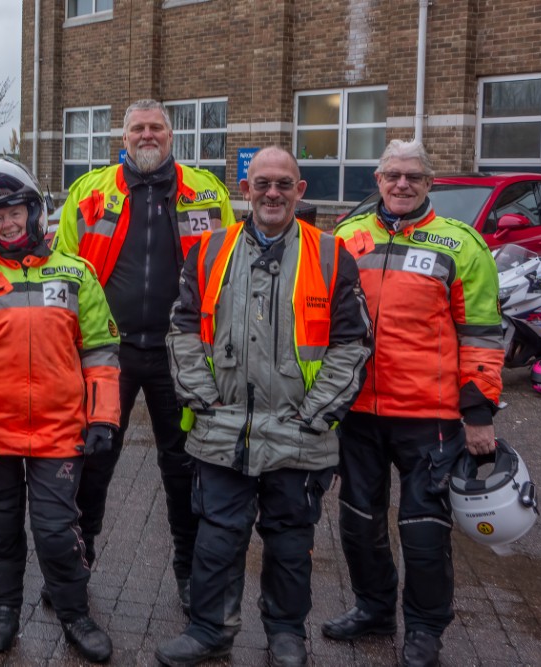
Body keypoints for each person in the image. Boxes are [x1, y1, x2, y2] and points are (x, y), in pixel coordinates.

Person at [155, 147, 372, 667]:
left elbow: (352, 345)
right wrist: (203, 401)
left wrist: (315, 415)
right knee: (216, 539)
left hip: (300, 432)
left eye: (283, 184)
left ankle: (286, 634)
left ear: (300, 190)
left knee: (291, 545)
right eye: (262, 184)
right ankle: (210, 630)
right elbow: (182, 331)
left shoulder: (330, 255)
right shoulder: (209, 251)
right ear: (245, 189)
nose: (272, 193)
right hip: (222, 427)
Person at [324, 140, 503, 667]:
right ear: (377, 181)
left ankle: (425, 629)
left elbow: (482, 335)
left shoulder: (461, 244)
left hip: (432, 417)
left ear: (430, 183)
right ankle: (374, 608)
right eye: (393, 175)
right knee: (358, 521)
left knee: (424, 531)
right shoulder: (346, 238)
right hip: (358, 412)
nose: (402, 184)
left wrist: (479, 414)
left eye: (414, 177)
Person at [0, 158, 119, 662]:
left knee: (57, 532)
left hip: (61, 433)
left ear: (35, 212)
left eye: (15, 212)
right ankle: (4, 609)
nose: (8, 224)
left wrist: (104, 416)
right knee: (0, 527)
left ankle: (74, 612)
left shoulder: (76, 274)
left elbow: (100, 352)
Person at [53, 98, 235, 610]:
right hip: (108, 352)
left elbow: (226, 268)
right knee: (94, 460)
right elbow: (62, 269)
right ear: (124, 137)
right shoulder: (90, 192)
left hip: (181, 352)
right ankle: (76, 565)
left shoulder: (206, 191)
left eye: (156, 127)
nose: (147, 135)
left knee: (184, 466)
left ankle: (188, 572)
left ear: (171, 136)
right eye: (138, 128)